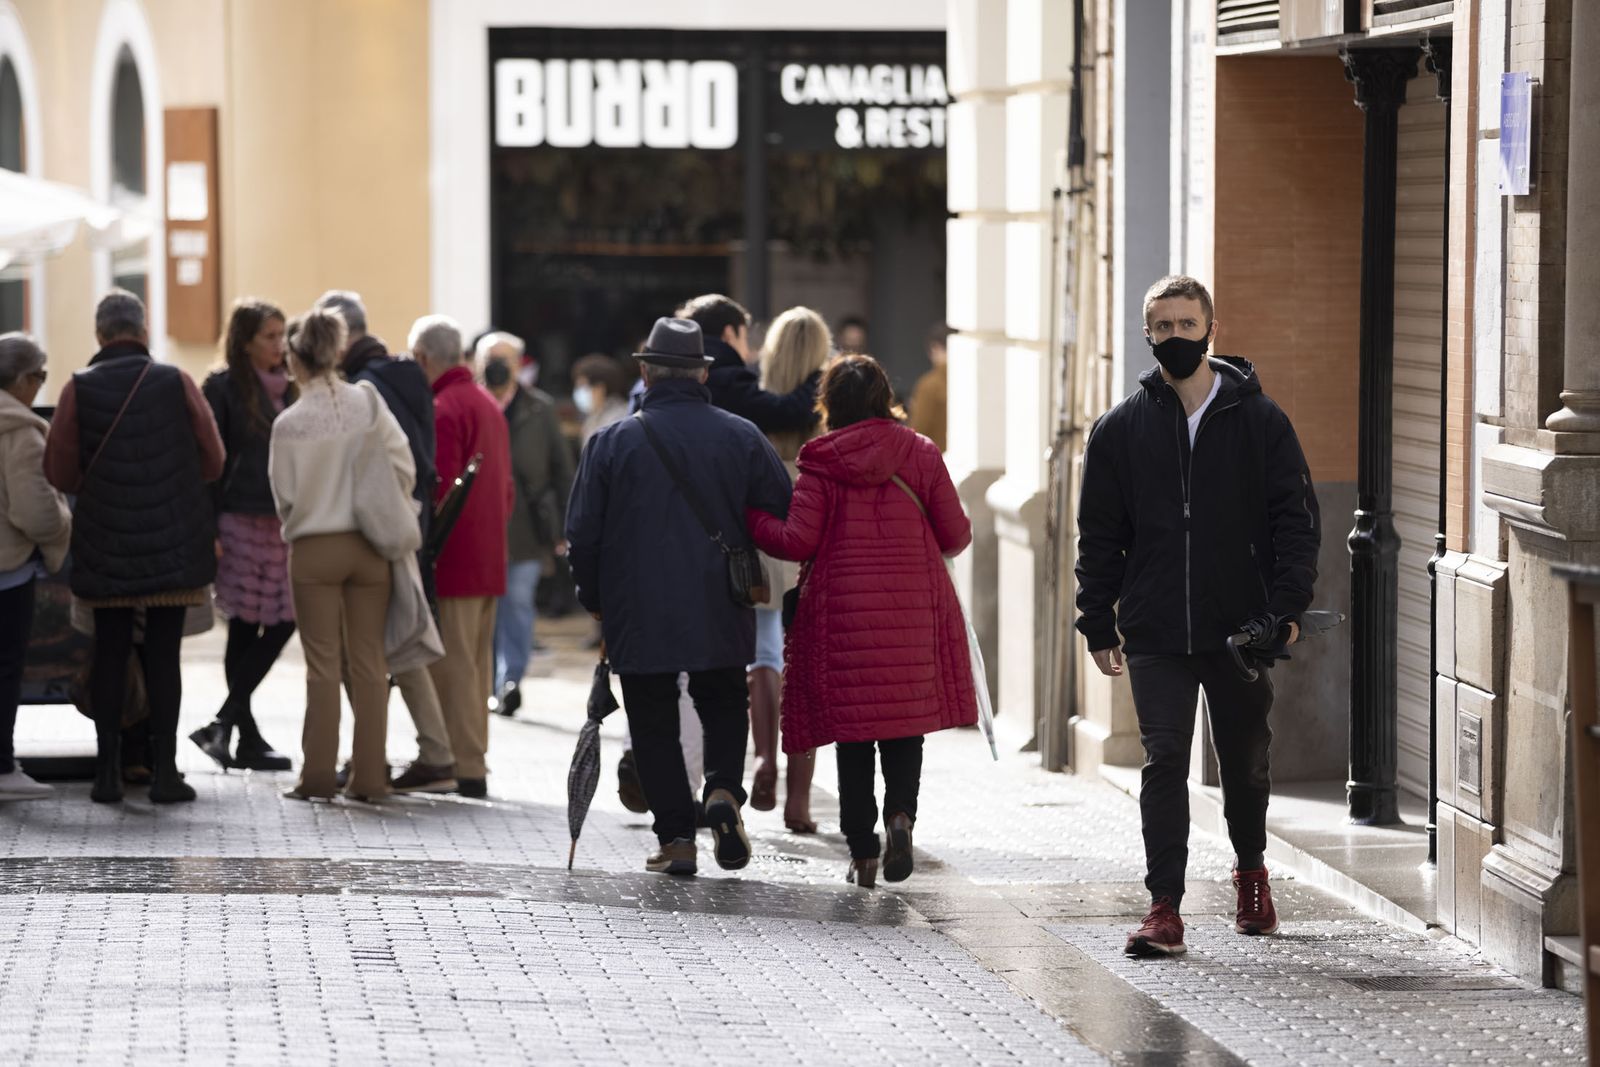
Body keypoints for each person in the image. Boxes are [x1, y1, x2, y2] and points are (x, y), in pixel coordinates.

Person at [1075, 275, 1321, 957]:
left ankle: (1249, 873)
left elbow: (1296, 522)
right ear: (1146, 334)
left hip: (1238, 627)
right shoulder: (1121, 428)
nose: (1175, 337)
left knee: (1244, 762)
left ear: (1210, 328)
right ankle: (1164, 907)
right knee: (1163, 761)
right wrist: (1098, 621)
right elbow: (1098, 534)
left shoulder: (1261, 420)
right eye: (1163, 327)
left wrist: (1285, 609)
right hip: (1155, 627)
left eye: (1188, 325)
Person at [566, 317, 792, 876]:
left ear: (646, 372)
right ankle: (720, 791)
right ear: (702, 373)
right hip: (720, 599)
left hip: (637, 607)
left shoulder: (611, 442)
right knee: (721, 701)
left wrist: (595, 600)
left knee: (652, 719)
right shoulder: (741, 436)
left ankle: (676, 840)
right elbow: (784, 508)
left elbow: (582, 534)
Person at [746, 354, 974, 887]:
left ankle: (863, 851)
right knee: (903, 730)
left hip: (842, 618)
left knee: (853, 737)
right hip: (913, 613)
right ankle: (900, 817)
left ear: (829, 403)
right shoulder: (921, 452)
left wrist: (753, 517)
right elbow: (957, 534)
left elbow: (797, 540)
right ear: (883, 396)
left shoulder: (820, 460)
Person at [44, 290, 225, 805]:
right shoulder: (176, 381)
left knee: (111, 650)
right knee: (164, 657)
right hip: (173, 538)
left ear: (101, 335)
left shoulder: (78, 388)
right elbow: (213, 458)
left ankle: (107, 775)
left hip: (107, 539)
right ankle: (165, 773)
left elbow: (57, 471)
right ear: (143, 332)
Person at [270, 307, 414, 802]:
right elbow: (403, 464)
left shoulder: (288, 423)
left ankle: (316, 778)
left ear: (295, 357)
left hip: (314, 547)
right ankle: (371, 779)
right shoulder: (368, 403)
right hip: (370, 545)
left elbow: (284, 497)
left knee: (322, 664)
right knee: (371, 663)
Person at [316, 289, 456, 794]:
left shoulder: (363, 388)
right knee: (400, 639)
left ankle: (374, 756)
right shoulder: (407, 375)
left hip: (373, 529)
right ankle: (433, 753)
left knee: (365, 650)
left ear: (343, 335)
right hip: (406, 523)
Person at [189, 299, 298, 773]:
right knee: (243, 626)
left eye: (282, 334)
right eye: (269, 336)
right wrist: (209, 525)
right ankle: (245, 736)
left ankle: (226, 723)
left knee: (283, 620)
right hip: (238, 517)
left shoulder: (294, 388)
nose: (279, 344)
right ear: (245, 341)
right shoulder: (223, 386)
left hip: (284, 521)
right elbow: (207, 463)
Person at [412, 315, 513, 799]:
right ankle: (471, 761)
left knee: (453, 668)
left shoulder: (444, 407)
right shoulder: (487, 404)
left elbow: (440, 491)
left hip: (455, 557)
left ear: (424, 358)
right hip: (490, 555)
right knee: (475, 666)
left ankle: (459, 763)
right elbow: (506, 489)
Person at [748, 306, 833, 832]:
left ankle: (762, 758)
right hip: (815, 520)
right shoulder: (828, 401)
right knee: (807, 661)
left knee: (761, 649)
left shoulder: (755, 401)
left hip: (764, 525)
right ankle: (799, 801)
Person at [476, 331, 574, 718]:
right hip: (480, 528)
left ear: (519, 364)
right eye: (491, 357)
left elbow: (561, 469)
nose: (498, 365)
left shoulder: (539, 408)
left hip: (527, 527)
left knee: (516, 603)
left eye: (505, 357)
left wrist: (564, 526)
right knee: (484, 609)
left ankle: (509, 682)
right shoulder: (473, 403)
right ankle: (485, 684)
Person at [0, 333, 71, 801]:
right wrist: (62, 528)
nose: (42, 386)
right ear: (22, 379)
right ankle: (2, 766)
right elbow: (35, 510)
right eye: (41, 376)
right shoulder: (20, 432)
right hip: (8, 568)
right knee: (6, 667)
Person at [908, 323, 951, 452]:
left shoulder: (929, 385)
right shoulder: (973, 381)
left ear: (935, 347)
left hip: (937, 463)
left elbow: (918, 430)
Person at [571, 353, 630, 444]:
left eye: (582, 386)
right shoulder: (593, 418)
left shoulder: (618, 420)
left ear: (600, 388)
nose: (579, 392)